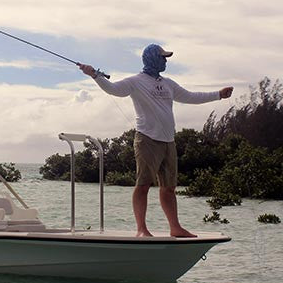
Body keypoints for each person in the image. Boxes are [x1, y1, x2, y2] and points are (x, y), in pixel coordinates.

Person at [79, 44, 233, 238]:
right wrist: (95, 75)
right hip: (147, 139)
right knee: (143, 185)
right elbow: (113, 89)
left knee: (169, 188)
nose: (165, 60)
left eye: (166, 57)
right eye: (163, 57)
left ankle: (175, 227)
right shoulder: (135, 81)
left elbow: (191, 96)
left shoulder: (168, 83)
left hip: (169, 141)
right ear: (152, 58)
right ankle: (141, 229)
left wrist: (218, 95)